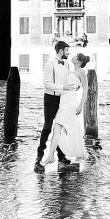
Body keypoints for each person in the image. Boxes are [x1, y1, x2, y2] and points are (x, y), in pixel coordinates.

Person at [35, 39, 78, 172]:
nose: (68, 53)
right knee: (47, 128)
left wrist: (73, 86)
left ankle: (61, 157)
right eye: (66, 50)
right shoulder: (50, 64)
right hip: (50, 99)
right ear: (60, 51)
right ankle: (39, 157)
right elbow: (47, 84)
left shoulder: (66, 65)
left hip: (62, 99)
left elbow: (67, 81)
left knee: (61, 128)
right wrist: (63, 87)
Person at [43, 52, 90, 170]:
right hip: (63, 101)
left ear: (79, 61)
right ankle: (54, 155)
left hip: (70, 102)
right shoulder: (70, 70)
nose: (72, 57)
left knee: (59, 127)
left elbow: (85, 89)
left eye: (75, 57)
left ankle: (51, 155)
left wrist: (81, 105)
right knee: (62, 128)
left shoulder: (81, 72)